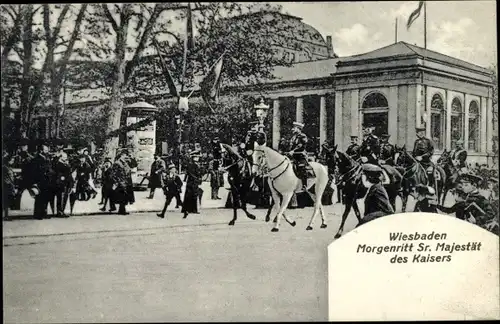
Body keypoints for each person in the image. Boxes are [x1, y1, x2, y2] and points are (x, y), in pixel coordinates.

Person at [29, 144, 55, 220]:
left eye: (47, 150)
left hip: (47, 181)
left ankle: (44, 213)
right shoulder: (36, 159)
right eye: (46, 150)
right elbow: (34, 171)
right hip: (40, 181)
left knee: (45, 198)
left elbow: (49, 168)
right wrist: (35, 182)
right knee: (39, 198)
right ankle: (38, 214)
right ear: (41, 150)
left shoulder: (46, 158)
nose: (47, 151)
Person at [110, 149, 135, 215]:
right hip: (121, 182)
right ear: (122, 155)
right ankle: (121, 210)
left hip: (127, 182)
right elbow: (113, 174)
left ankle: (122, 210)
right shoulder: (117, 163)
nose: (126, 157)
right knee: (122, 197)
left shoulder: (126, 163)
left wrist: (132, 158)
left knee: (125, 197)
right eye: (125, 155)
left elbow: (134, 165)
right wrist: (117, 181)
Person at [412, 125, 436, 190]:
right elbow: (414, 152)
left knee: (430, 172)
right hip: (417, 162)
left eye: (421, 132)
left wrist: (422, 157)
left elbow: (431, 152)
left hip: (426, 162)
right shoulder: (416, 142)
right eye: (418, 132)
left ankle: (430, 186)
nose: (419, 133)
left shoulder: (428, 141)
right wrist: (415, 157)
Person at [287, 121, 309, 191]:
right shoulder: (293, 137)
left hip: (300, 155)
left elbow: (301, 145)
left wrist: (293, 151)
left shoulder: (303, 136)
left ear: (298, 128)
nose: (293, 129)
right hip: (292, 155)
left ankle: (304, 185)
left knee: (301, 167)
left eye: (295, 128)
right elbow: (290, 146)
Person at [52, 152, 73, 217]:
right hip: (61, 184)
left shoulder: (65, 164)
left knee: (64, 198)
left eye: (66, 157)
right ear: (60, 157)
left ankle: (61, 211)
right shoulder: (59, 164)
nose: (66, 158)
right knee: (61, 198)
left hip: (66, 183)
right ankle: (60, 212)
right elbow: (61, 174)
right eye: (64, 157)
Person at [182, 151, 202, 218]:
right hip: (192, 181)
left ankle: (189, 209)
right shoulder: (192, 164)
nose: (198, 158)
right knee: (193, 194)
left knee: (190, 194)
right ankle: (193, 209)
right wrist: (197, 179)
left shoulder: (193, 164)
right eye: (196, 157)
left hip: (192, 181)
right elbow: (191, 173)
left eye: (198, 157)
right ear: (193, 157)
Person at [3, 154, 17, 221]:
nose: (13, 161)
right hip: (6, 187)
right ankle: (6, 216)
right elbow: (5, 178)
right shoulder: (4, 167)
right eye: (12, 160)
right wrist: (9, 183)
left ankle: (6, 215)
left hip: (10, 186)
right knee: (6, 201)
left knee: (7, 201)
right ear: (8, 161)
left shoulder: (9, 167)